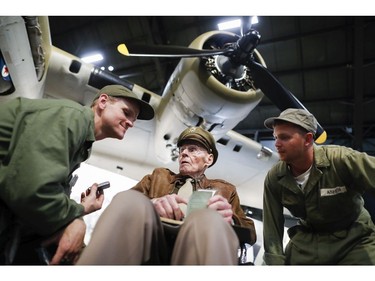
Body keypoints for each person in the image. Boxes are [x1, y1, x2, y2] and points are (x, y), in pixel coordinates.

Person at [0, 84, 154, 265]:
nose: (131, 123)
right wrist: (78, 216)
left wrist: (80, 210)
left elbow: (47, 188)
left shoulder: (82, 140)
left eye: (134, 119)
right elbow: (32, 190)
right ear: (103, 102)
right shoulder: (72, 117)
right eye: (126, 113)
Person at [77, 126, 256, 265]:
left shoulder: (225, 190)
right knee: (128, 200)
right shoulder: (158, 176)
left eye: (193, 149)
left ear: (208, 159)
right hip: (153, 242)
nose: (184, 153)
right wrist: (153, 203)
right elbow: (123, 207)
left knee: (209, 220)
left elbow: (250, 232)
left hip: (198, 244)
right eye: (182, 150)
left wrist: (229, 219)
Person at [262, 108, 375, 265]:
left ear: (308, 139)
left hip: (355, 238)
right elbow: (272, 227)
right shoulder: (275, 177)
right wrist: (275, 265)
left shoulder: (341, 160)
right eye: (275, 137)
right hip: (309, 241)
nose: (276, 144)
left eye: (284, 138)